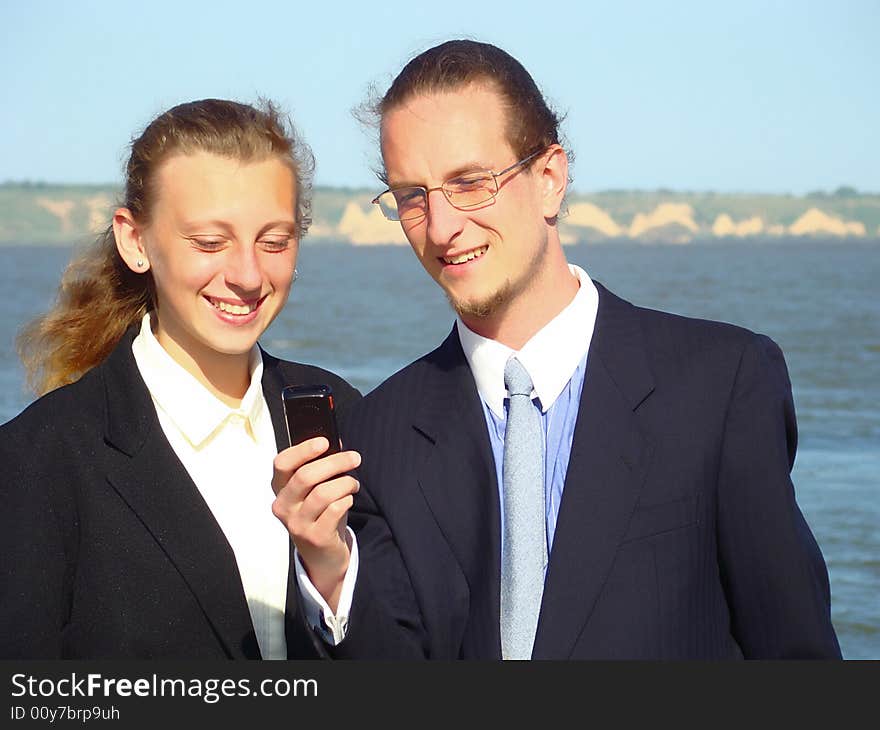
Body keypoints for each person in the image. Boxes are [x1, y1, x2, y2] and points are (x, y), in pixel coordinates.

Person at [274, 39, 842, 659]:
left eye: (470, 184)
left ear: (549, 179)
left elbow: (795, 651)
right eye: (413, 195)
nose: (440, 227)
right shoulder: (378, 429)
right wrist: (330, 570)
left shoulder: (720, 384)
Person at [0, 99, 361, 659]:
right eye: (210, 243)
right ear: (135, 241)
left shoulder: (346, 413)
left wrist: (332, 573)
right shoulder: (38, 458)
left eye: (275, 241)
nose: (246, 275)